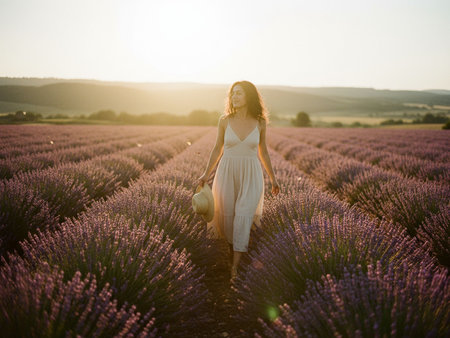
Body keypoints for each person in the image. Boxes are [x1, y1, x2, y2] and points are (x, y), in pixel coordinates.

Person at [195, 80, 280, 281]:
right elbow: (218, 148)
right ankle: (231, 253)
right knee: (228, 218)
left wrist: (273, 178)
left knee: (243, 215)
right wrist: (206, 173)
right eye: (232, 93)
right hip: (227, 172)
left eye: (239, 93)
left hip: (251, 174)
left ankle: (235, 268)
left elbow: (264, 152)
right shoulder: (224, 120)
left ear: (249, 96)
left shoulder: (260, 122)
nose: (234, 97)